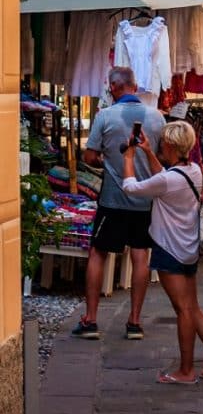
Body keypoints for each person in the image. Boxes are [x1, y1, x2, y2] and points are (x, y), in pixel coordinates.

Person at [122, 120, 203, 385]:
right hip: (189, 248)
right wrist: (147, 152)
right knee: (193, 308)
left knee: (183, 310)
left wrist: (129, 157)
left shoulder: (170, 179)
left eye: (160, 144)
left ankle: (186, 371)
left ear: (169, 145)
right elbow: (166, 180)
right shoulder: (194, 171)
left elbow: (130, 188)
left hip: (169, 249)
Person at [72, 66, 165, 340]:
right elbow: (159, 157)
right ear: (134, 87)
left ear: (113, 88)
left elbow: (89, 157)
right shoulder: (157, 117)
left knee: (98, 252)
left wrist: (106, 161)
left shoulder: (105, 117)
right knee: (140, 256)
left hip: (113, 199)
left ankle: (90, 320)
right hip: (144, 199)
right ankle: (134, 322)